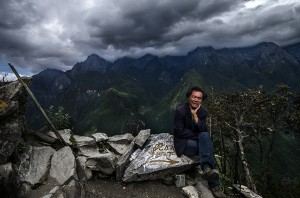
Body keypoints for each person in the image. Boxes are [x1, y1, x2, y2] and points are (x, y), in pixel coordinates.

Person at [173, 86, 226, 198]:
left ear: (201, 100)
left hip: (196, 142)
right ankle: (215, 185)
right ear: (188, 97)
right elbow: (180, 132)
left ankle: (207, 169)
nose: (196, 100)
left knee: (205, 136)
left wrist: (195, 117)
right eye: (194, 97)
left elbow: (204, 130)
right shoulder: (180, 111)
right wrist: (197, 134)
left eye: (199, 98)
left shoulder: (202, 112)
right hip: (184, 143)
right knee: (207, 146)